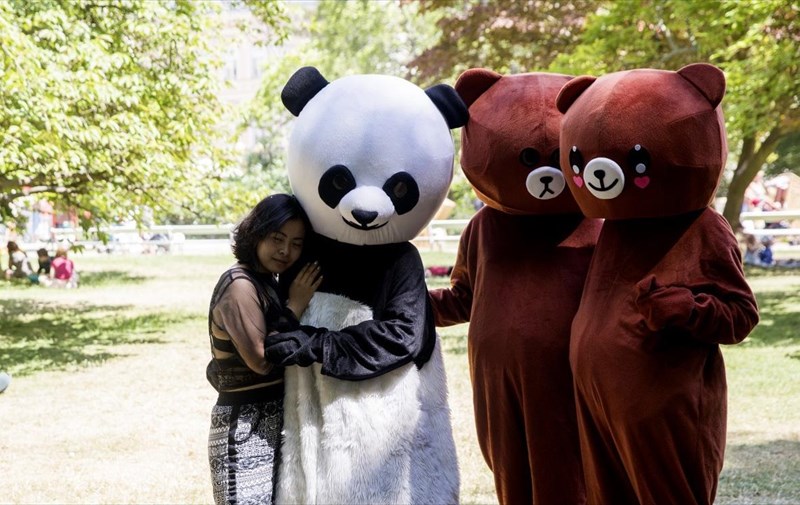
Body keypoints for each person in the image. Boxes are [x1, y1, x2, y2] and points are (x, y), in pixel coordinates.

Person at [206, 194, 322, 505]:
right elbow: (261, 360)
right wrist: (295, 306)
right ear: (256, 233)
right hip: (245, 429)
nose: (286, 251)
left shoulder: (266, 281)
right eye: (277, 239)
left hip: (276, 423)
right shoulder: (239, 285)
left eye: (296, 243)